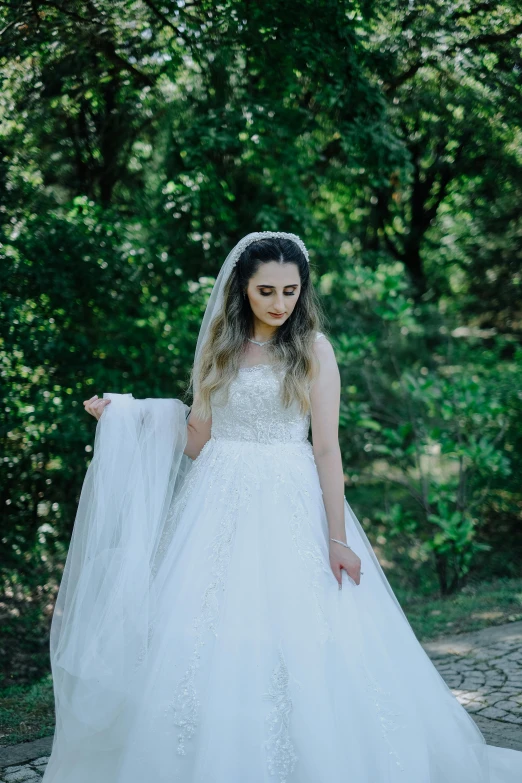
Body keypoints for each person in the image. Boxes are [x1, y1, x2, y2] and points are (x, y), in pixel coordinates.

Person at [42, 232, 522, 782]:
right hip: (216, 501)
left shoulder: (314, 350)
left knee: (304, 628)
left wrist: (337, 539)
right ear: (242, 288)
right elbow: (198, 440)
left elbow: (326, 447)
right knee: (204, 629)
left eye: (290, 290)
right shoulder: (218, 347)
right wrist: (131, 417)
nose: (279, 302)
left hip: (288, 497)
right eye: (266, 290)